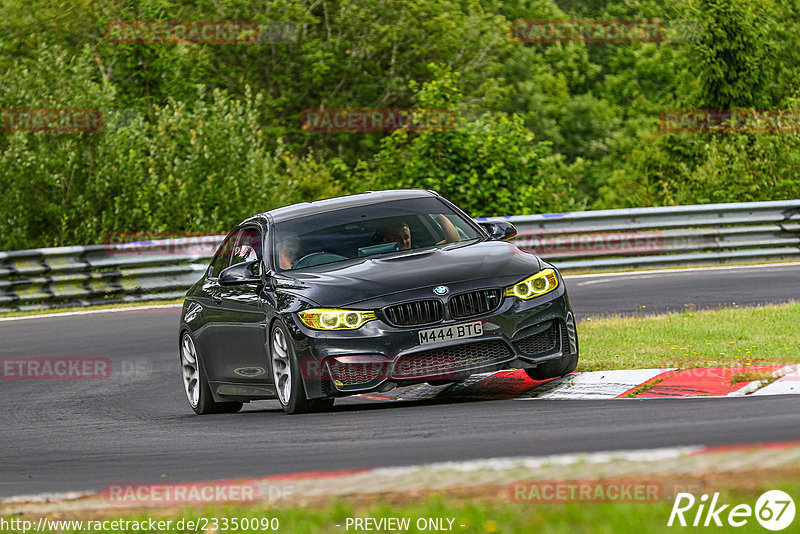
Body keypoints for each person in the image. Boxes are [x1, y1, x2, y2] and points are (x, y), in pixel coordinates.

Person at [381, 214, 460, 251]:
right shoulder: (376, 259)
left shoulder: (421, 253)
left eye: (406, 237)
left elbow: (454, 241)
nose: (403, 242)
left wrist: (437, 213)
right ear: (386, 240)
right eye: (397, 238)